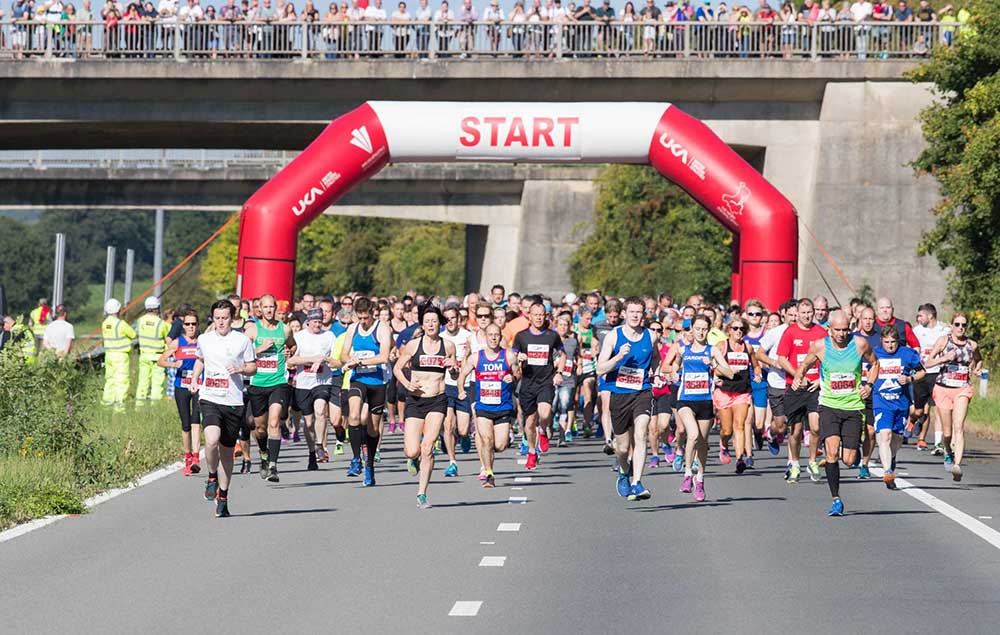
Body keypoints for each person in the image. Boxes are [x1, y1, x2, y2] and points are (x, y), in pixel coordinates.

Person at [792, 310, 878, 517]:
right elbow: (804, 364)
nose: (841, 334)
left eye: (845, 330)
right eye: (837, 330)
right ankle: (836, 499)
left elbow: (875, 364)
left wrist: (869, 385)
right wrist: (798, 377)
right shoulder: (820, 346)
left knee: (848, 460)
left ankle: (852, 450)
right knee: (831, 452)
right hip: (829, 406)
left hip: (853, 407)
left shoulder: (859, 344)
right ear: (829, 329)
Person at [189, 300, 257, 518]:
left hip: (233, 401)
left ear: (232, 318)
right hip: (209, 398)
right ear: (212, 318)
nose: (221, 322)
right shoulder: (204, 339)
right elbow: (200, 360)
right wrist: (194, 378)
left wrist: (241, 369)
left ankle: (224, 497)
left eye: (225, 318)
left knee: (227, 453)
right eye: (217, 317)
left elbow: (253, 366)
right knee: (210, 439)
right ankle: (211, 476)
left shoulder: (242, 340)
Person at [660, 313, 736, 502]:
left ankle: (700, 480)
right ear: (691, 329)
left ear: (708, 330)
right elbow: (666, 367)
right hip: (685, 400)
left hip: (705, 402)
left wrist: (714, 364)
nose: (700, 332)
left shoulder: (712, 350)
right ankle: (687, 475)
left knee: (702, 443)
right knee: (692, 434)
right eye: (697, 328)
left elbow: (730, 373)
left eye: (704, 329)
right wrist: (674, 373)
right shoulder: (682, 348)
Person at [596, 296, 658, 501]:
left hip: (643, 391)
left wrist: (657, 374)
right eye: (631, 311)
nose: (635, 315)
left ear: (643, 314)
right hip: (619, 394)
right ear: (624, 313)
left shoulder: (650, 335)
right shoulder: (614, 336)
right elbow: (599, 368)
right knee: (622, 447)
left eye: (639, 312)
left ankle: (637, 482)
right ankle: (624, 472)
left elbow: (656, 358)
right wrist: (618, 357)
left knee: (641, 433)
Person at [395, 304, 455, 507]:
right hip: (416, 400)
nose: (431, 324)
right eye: (427, 321)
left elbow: (454, 373)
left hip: (437, 400)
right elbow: (397, 368)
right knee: (412, 451)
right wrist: (407, 383)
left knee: (427, 447)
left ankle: (422, 493)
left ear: (440, 324)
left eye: (434, 321)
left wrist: (453, 367)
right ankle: (413, 459)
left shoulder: (448, 346)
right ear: (422, 323)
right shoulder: (413, 346)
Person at [458, 322, 519, 489]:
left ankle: (490, 457)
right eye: (490, 335)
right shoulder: (476, 357)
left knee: (499, 445)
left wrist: (512, 378)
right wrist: (461, 390)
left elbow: (517, 373)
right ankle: (489, 473)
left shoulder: (508, 356)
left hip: (503, 406)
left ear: (500, 337)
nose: (493, 337)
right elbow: (462, 374)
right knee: (485, 440)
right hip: (483, 406)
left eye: (496, 335)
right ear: (485, 337)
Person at [339, 296, 393, 485]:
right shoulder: (353, 328)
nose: (362, 322)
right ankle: (356, 459)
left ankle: (369, 464)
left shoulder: (383, 329)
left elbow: (384, 356)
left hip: (377, 381)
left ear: (372, 313)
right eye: (359, 318)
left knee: (372, 427)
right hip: (358, 379)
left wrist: (360, 361)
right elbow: (344, 353)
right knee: (354, 416)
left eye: (365, 318)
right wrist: (349, 360)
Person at [924, 312, 983, 482]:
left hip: (962, 389)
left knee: (959, 427)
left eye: (963, 325)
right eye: (957, 324)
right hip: (943, 389)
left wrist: (977, 369)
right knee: (948, 432)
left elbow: (978, 360)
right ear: (951, 325)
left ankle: (957, 465)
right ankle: (948, 450)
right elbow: (928, 362)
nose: (960, 328)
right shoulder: (944, 341)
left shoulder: (971, 345)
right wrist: (944, 358)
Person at [776, 298, 828, 483]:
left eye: (809, 312)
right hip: (795, 387)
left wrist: (822, 381)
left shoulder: (821, 332)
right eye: (803, 313)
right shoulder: (790, 332)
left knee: (815, 427)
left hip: (815, 387)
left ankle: (812, 461)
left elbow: (829, 360)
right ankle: (795, 463)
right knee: (796, 431)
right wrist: (798, 375)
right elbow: (782, 358)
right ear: (797, 313)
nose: (807, 316)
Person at [244, 294, 294, 483]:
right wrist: (261, 349)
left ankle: (273, 466)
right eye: (265, 307)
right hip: (258, 384)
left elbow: (293, 346)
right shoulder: (252, 331)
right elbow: (240, 354)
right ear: (260, 309)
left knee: (274, 422)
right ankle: (264, 454)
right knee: (260, 428)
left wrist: (290, 352)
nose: (269, 310)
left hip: (278, 383)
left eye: (272, 307)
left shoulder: (285, 330)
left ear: (276, 308)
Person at [512, 298, 565, 470]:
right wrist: (517, 358)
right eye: (536, 315)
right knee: (529, 423)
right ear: (529, 316)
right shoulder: (521, 336)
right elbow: (511, 357)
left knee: (544, 413)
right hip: (528, 382)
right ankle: (532, 452)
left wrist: (559, 373)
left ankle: (543, 431)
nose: (539, 318)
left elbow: (562, 355)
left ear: (546, 316)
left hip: (545, 381)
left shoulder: (552, 335)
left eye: (542, 315)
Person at [872, 327, 924, 489]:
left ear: (898, 341)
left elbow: (922, 372)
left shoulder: (907, 354)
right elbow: (865, 372)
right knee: (884, 435)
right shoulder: (875, 354)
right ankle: (887, 472)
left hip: (901, 403)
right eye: (886, 342)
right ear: (882, 341)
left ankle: (892, 458)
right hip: (881, 402)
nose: (890, 346)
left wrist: (910, 378)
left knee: (896, 438)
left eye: (893, 342)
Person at [287, 308, 337, 471]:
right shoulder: (299, 337)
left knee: (320, 410)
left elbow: (338, 361)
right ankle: (311, 453)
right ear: (308, 322)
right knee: (308, 422)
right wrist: (311, 360)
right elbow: (292, 360)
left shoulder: (329, 336)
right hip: (303, 383)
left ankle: (319, 445)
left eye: (320, 322)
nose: (317, 325)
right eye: (314, 322)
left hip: (323, 380)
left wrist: (324, 359)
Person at [713, 315, 761, 473]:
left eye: (741, 329)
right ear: (728, 330)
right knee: (727, 430)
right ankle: (724, 443)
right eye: (735, 328)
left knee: (739, 425)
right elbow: (714, 367)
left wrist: (758, 374)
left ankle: (740, 458)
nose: (738, 331)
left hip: (742, 392)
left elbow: (756, 365)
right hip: (725, 391)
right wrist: (723, 372)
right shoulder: (721, 346)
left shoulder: (748, 348)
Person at [158, 308, 203, 476]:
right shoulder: (177, 343)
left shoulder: (202, 341)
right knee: (185, 424)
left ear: (198, 325)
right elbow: (160, 361)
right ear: (183, 326)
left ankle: (197, 458)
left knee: (195, 420)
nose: (191, 327)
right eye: (188, 324)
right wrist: (173, 364)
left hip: (198, 385)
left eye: (194, 324)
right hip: (181, 386)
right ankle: (188, 457)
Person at [440, 304, 476, 477]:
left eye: (453, 318)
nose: (450, 322)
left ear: (459, 319)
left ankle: (465, 435)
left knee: (461, 429)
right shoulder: (439, 338)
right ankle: (452, 462)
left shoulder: (469, 336)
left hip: (466, 384)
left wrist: (468, 354)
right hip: (446, 385)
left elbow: (477, 358)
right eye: (446, 318)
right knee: (448, 425)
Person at [911, 303, 951, 453]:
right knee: (919, 410)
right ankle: (914, 420)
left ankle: (938, 443)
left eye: (921, 315)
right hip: (921, 373)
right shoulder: (917, 330)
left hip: (938, 373)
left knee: (939, 408)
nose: (918, 318)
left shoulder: (944, 330)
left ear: (930, 316)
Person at [101, 298, 136, 411]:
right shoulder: (121, 324)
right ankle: (119, 407)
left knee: (110, 380)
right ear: (118, 310)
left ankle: (107, 404)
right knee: (121, 381)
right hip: (120, 356)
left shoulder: (105, 323)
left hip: (109, 355)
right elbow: (133, 334)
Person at [135, 296, 169, 404]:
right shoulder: (161, 323)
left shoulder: (140, 321)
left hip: (144, 356)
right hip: (158, 357)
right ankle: (155, 406)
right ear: (157, 308)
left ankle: (139, 405)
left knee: (143, 382)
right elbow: (168, 339)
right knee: (157, 384)